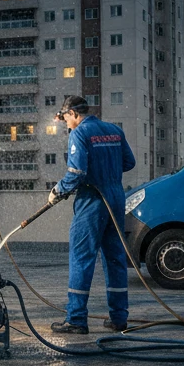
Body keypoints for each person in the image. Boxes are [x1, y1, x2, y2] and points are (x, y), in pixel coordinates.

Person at [48, 96, 136, 334]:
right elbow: (129, 162)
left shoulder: (80, 134)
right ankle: (119, 318)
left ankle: (76, 319)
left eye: (65, 118)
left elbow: (76, 172)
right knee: (115, 258)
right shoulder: (114, 130)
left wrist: (58, 190)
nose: (65, 124)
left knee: (82, 258)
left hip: (92, 200)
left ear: (74, 114)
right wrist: (106, 170)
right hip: (116, 198)